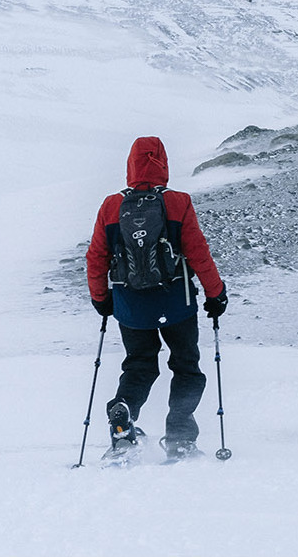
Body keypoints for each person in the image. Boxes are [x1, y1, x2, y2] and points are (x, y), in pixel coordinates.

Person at [85, 136, 227, 462]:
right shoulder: (178, 202)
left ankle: (123, 417)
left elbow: (96, 257)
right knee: (186, 367)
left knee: (139, 366)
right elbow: (198, 254)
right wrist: (215, 293)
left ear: (130, 165)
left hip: (131, 308)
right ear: (163, 163)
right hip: (176, 303)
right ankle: (180, 438)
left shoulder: (111, 206)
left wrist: (101, 298)